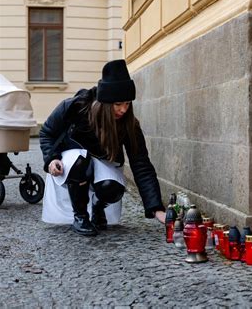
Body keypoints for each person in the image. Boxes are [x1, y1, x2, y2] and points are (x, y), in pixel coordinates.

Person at [39, 59, 165, 236]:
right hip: (72, 163)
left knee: (112, 187)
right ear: (105, 102)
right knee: (80, 161)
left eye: (127, 103)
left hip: (102, 163)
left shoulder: (129, 124)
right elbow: (47, 133)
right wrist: (52, 159)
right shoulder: (75, 107)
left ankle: (98, 208)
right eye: (118, 104)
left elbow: (141, 163)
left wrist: (156, 208)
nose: (123, 110)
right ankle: (81, 216)